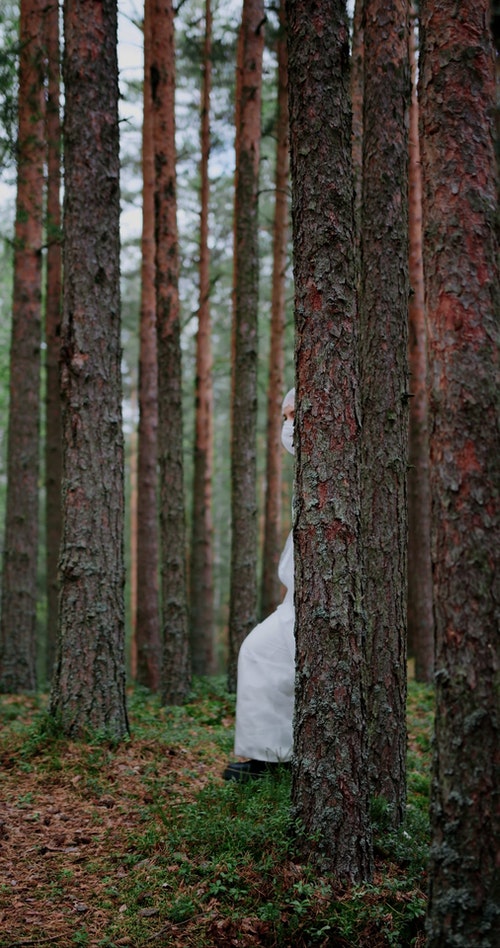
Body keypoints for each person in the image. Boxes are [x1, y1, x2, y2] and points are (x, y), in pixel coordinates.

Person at [223, 388, 296, 782]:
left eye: (292, 419)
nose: (288, 427)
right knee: (260, 654)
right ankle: (270, 758)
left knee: (262, 654)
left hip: (310, 601)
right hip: (299, 599)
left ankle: (273, 761)